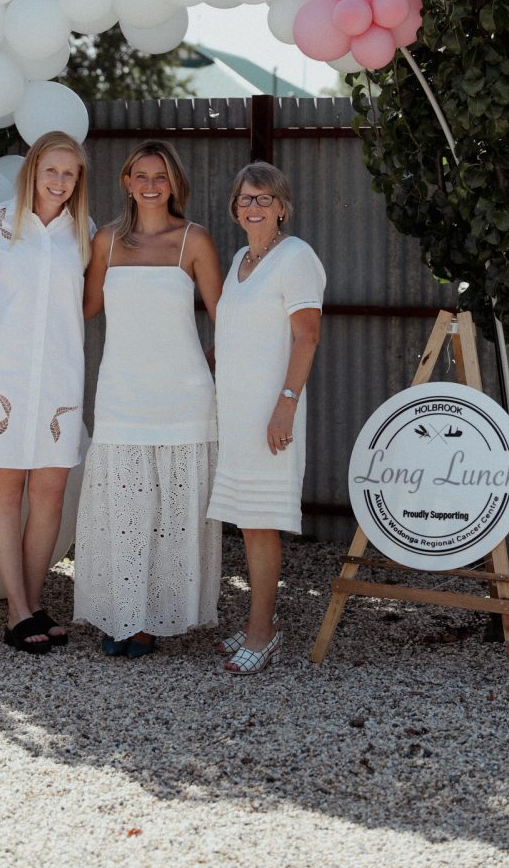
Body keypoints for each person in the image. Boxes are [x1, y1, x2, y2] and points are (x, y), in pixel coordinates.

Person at [73, 140, 223, 658]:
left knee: (172, 514)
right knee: (124, 510)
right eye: (142, 175)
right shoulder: (106, 242)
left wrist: (212, 368)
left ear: (174, 183)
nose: (152, 185)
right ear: (127, 182)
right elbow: (83, 309)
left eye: (161, 176)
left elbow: (225, 319)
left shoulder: (194, 240)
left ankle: (155, 619)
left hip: (184, 398)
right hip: (121, 395)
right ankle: (121, 616)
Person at [0, 131, 92, 654]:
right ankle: (16, 611)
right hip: (3, 378)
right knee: (7, 492)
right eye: (52, 171)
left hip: (60, 379)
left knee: (50, 495)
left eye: (69, 173)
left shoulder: (82, 232)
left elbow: (82, 305)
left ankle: (33, 601)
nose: (60, 181)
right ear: (33, 171)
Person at [207, 162, 325, 675]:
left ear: (282, 207)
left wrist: (286, 403)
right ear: (235, 208)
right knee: (247, 519)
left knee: (261, 523)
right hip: (236, 414)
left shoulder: (296, 257)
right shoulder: (239, 260)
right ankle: (260, 621)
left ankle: (263, 633)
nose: (254, 207)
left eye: (264, 199)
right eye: (246, 199)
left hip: (272, 412)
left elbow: (308, 336)